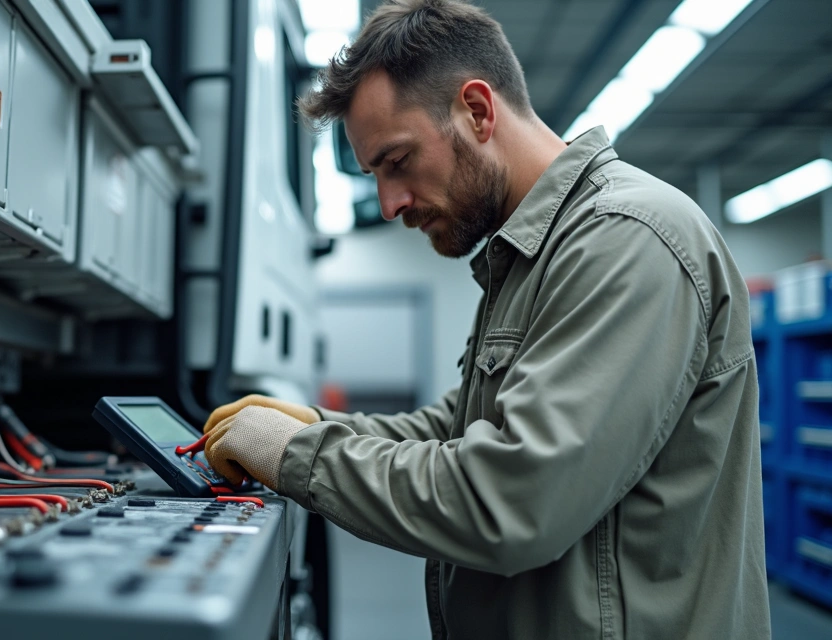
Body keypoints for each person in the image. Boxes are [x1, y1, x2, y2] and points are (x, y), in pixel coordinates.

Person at [201, 1, 770, 638]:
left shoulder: (626, 240)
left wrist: (298, 454)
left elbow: (514, 500)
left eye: (397, 161)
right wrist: (320, 424)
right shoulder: (532, 252)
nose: (389, 204)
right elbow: (461, 425)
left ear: (476, 110)